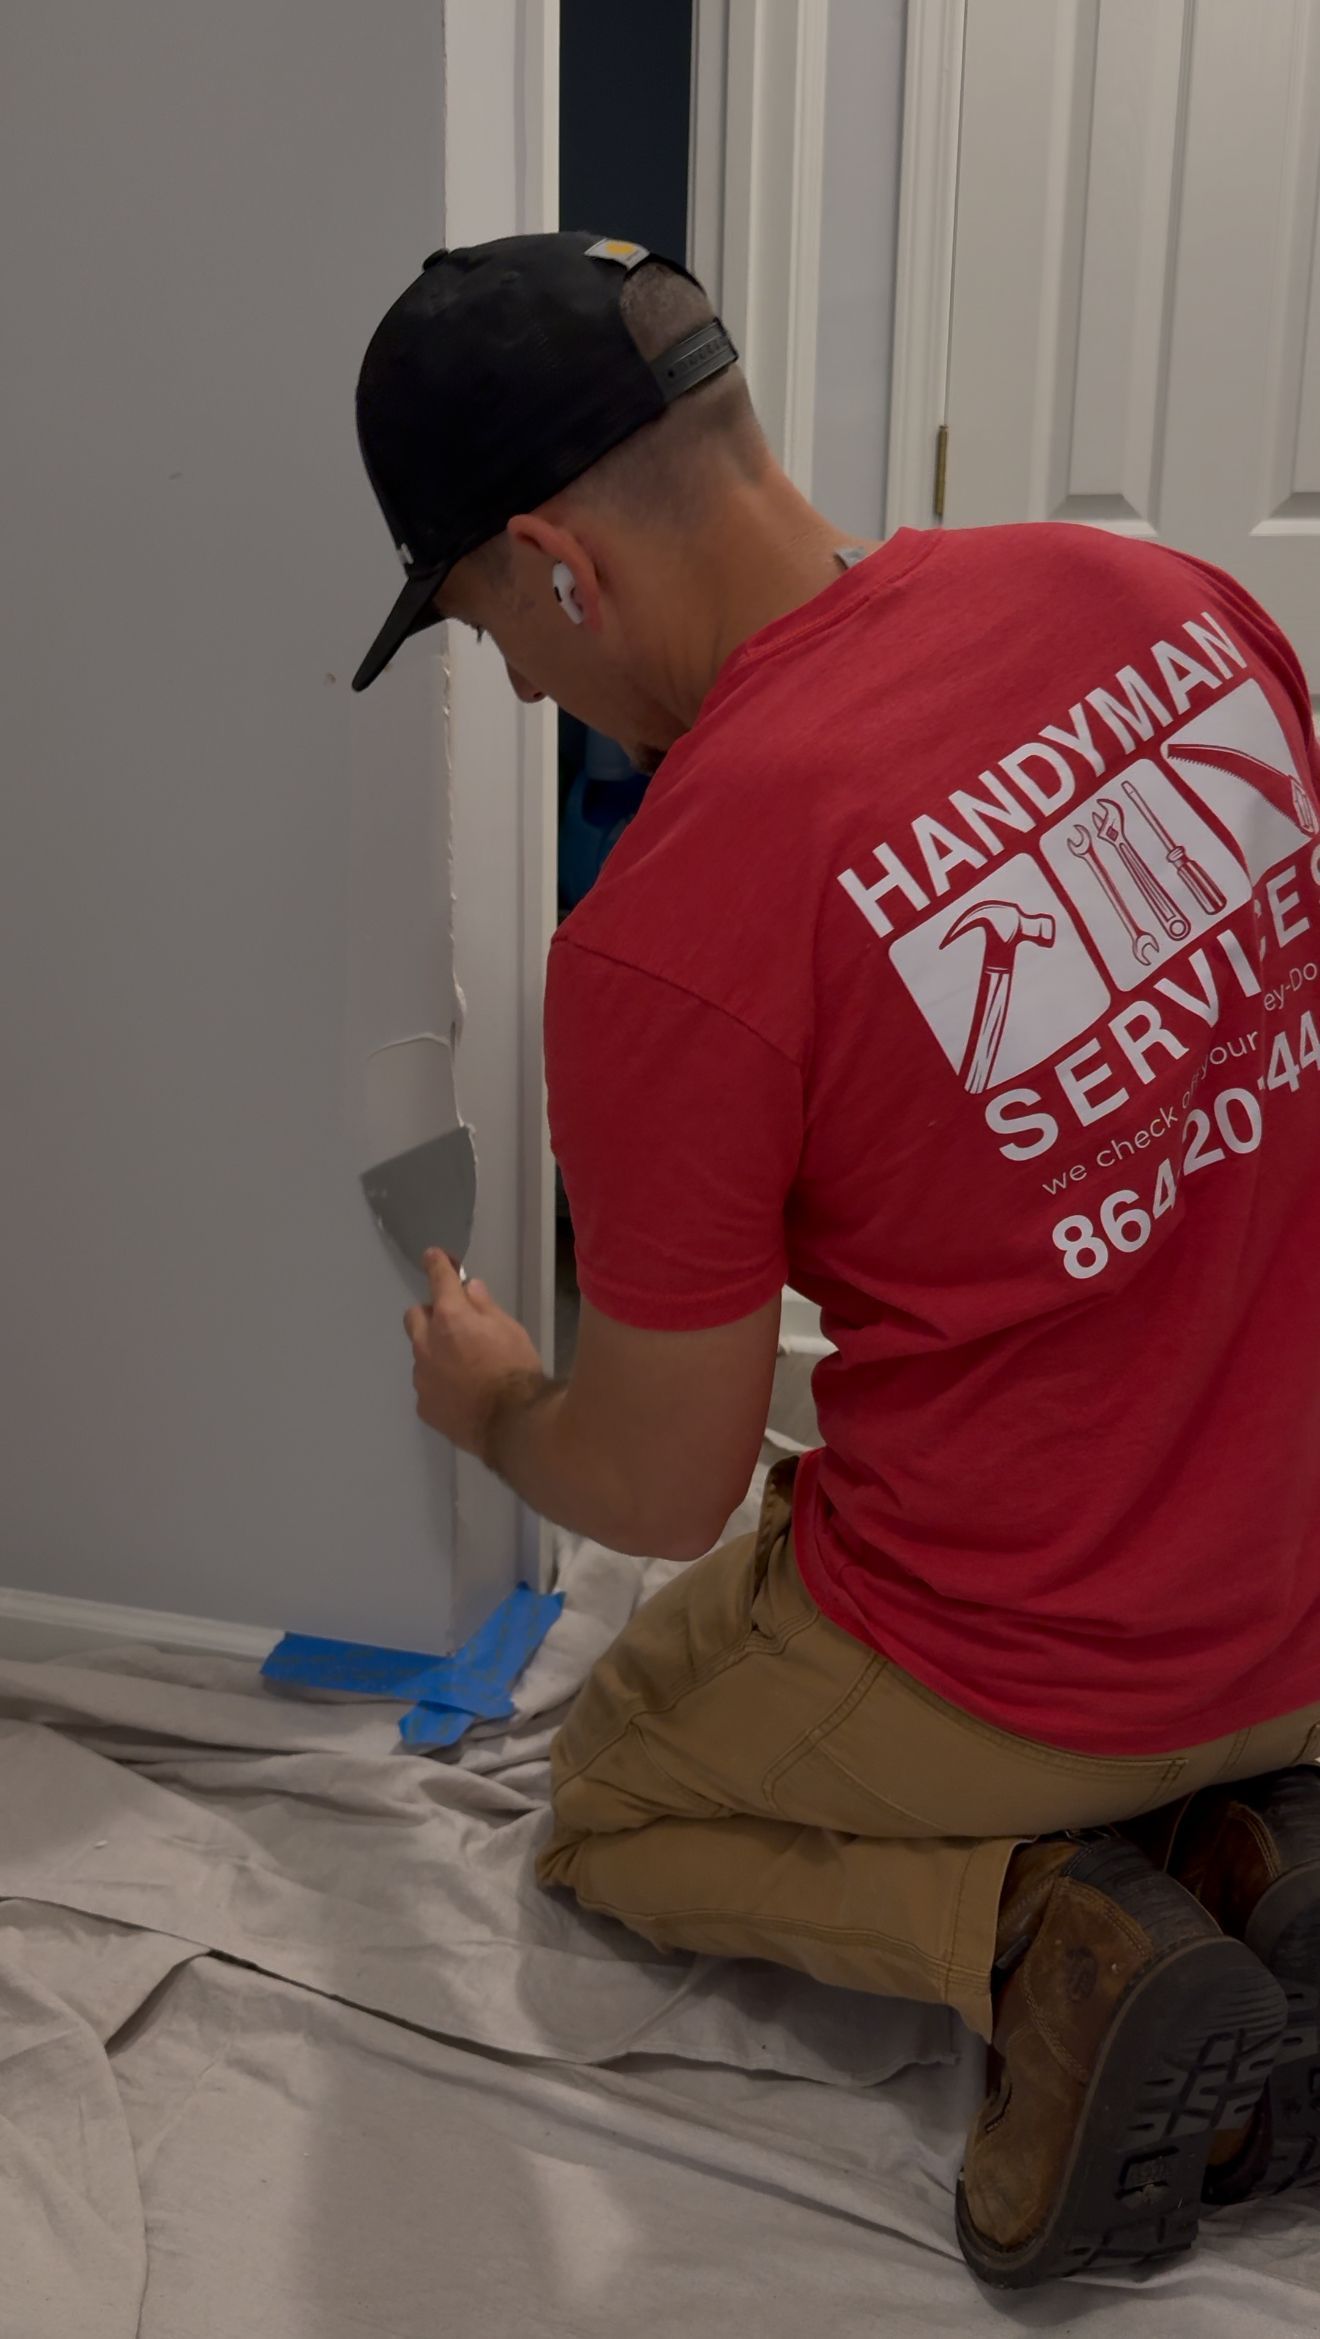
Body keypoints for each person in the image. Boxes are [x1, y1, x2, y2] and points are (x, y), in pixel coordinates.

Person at [352, 231, 1320, 2289]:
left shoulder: (675, 927)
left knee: (612, 1794)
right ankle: (1249, 1830)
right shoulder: (1170, 603)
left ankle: (1045, 1923)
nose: (517, 685)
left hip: (1054, 1650)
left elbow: (657, 1485)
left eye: (478, 627)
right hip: (1303, 1575)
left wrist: (493, 1397)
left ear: (556, 560)